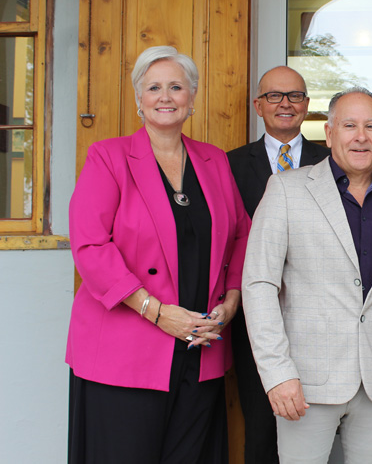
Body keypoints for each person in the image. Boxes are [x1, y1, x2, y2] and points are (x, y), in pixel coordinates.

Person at [66, 46, 250, 463]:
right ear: (139, 98)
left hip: (200, 345)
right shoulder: (108, 157)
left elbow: (242, 234)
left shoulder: (214, 160)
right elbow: (90, 246)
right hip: (125, 351)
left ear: (192, 97)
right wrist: (156, 311)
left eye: (176, 87)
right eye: (154, 88)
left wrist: (232, 300)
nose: (165, 97)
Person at [242, 86, 372, 464]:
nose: (360, 136)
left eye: (371, 126)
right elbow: (259, 285)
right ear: (329, 133)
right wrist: (277, 372)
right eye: (349, 125)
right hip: (305, 381)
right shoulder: (286, 189)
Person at [227, 66, 329, 464]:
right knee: (260, 427)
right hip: (255, 318)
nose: (285, 104)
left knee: (319, 428)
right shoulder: (230, 165)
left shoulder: (332, 161)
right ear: (258, 105)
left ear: (306, 105)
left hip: (320, 318)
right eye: (274, 96)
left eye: (295, 96)